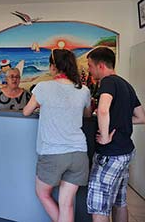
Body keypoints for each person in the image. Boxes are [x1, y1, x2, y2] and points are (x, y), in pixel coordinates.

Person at [23, 49, 92, 222]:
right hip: (79, 153)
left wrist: (45, 106)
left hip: (53, 152)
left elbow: (26, 111)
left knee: (42, 193)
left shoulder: (43, 87)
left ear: (53, 66)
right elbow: (88, 114)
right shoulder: (83, 90)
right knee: (67, 204)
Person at [86, 47, 145, 222]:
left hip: (110, 154)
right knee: (120, 201)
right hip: (125, 152)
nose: (89, 69)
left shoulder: (108, 82)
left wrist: (104, 136)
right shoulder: (127, 85)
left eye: (90, 66)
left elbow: (103, 109)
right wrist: (119, 123)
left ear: (101, 66)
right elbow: (141, 117)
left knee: (99, 206)